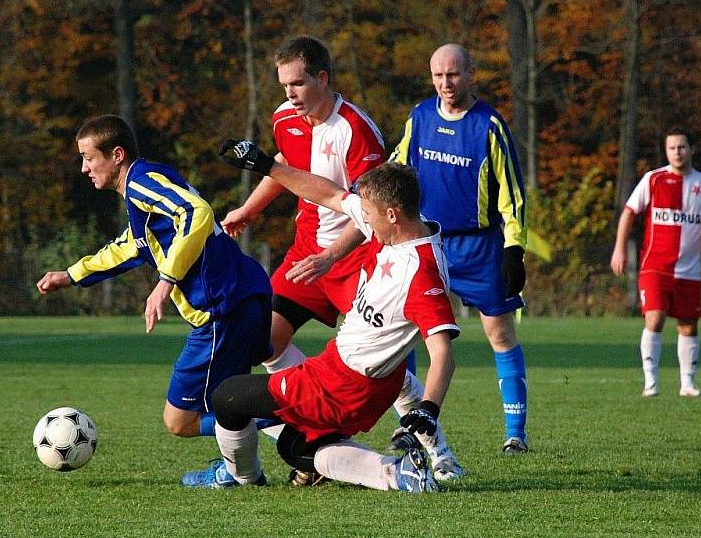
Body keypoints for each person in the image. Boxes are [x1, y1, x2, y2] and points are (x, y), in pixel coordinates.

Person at [222, 35, 464, 479]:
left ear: (322, 78)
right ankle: (317, 426)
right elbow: (306, 178)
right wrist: (249, 207)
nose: (289, 94)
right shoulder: (283, 119)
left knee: (376, 353)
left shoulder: (356, 129)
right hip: (306, 251)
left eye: (297, 84)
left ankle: (435, 447)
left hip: (352, 257)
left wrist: (332, 256)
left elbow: (371, 208)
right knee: (264, 341)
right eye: (283, 86)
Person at [179, 140, 460, 492]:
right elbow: (328, 195)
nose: (363, 219)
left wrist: (429, 408)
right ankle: (395, 472)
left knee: (228, 396)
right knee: (296, 447)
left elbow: (443, 353)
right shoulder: (399, 229)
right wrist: (268, 165)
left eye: (369, 213)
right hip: (350, 374)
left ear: (392, 214)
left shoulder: (421, 273)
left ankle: (242, 479)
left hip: (345, 385)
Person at [36, 115, 273, 479]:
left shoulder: (142, 182)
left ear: (116, 155)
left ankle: (293, 419)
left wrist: (165, 281)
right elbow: (129, 247)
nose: (84, 168)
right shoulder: (142, 193)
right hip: (239, 300)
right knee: (231, 401)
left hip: (220, 310)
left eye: (88, 157)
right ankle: (245, 469)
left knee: (180, 420)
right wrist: (70, 275)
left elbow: (197, 212)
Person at [390, 43, 530, 453]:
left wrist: (514, 248)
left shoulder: (489, 125)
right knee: (411, 331)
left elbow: (513, 193)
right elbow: (398, 167)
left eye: (452, 75)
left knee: (499, 333)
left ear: (471, 74)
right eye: (437, 75)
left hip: (480, 246)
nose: (445, 84)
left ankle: (515, 433)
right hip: (429, 242)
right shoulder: (419, 117)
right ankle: (412, 429)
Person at [610, 127, 701, 397]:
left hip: (689, 269)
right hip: (655, 266)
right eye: (672, 148)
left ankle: (688, 383)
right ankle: (650, 382)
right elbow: (629, 213)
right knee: (655, 318)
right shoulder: (654, 180)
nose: (677, 152)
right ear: (666, 151)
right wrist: (619, 248)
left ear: (691, 150)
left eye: (682, 147)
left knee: (688, 324)